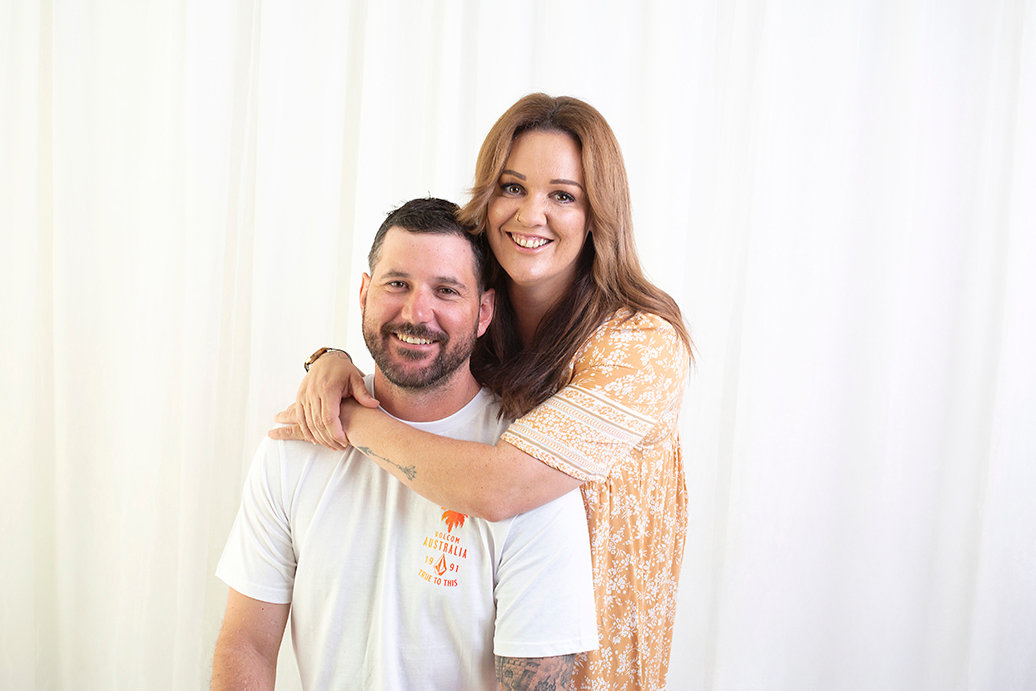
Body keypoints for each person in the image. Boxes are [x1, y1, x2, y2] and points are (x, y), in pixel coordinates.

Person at [274, 95, 693, 690]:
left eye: (563, 196)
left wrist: (351, 416)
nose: (530, 214)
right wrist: (332, 361)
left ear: (598, 214)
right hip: (478, 647)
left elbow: (502, 488)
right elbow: (408, 340)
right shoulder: (480, 316)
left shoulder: (640, 345)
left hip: (596, 657)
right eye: (512, 187)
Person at [213, 198, 598, 690]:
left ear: (483, 312)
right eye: (397, 284)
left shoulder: (530, 473)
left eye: (446, 291)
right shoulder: (297, 443)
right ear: (364, 294)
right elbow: (246, 643)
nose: (417, 313)